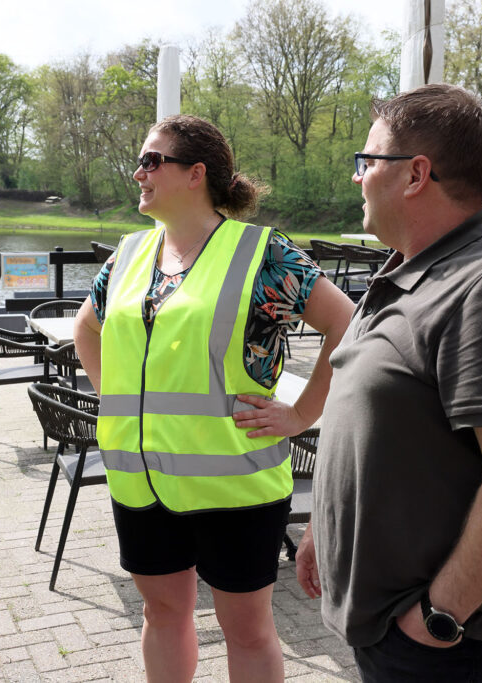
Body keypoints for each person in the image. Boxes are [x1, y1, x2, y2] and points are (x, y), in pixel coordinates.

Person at [294, 83, 482, 681]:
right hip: (395, 629)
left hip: (452, 646)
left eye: (366, 161)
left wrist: (438, 616)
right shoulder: (411, 270)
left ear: (416, 174)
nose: (357, 177)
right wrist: (326, 528)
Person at [73, 114, 353, 682]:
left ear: (195, 173)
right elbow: (87, 328)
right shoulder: (128, 254)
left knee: (246, 631)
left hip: (235, 483)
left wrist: (301, 415)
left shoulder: (262, 253)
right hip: (139, 478)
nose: (138, 172)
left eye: (152, 161)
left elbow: (347, 323)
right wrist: (120, 403)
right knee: (163, 612)